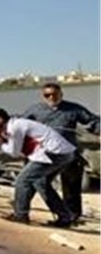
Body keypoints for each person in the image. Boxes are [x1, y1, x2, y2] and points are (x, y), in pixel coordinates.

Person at [0, 108, 75, 227]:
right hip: (62, 153)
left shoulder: (15, 127)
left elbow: (14, 152)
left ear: (0, 119)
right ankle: (65, 217)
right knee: (41, 182)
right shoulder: (13, 126)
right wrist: (1, 138)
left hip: (52, 153)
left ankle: (20, 215)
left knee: (22, 180)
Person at [23, 83, 100, 221]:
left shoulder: (74, 109)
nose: (51, 97)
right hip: (44, 155)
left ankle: (72, 216)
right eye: (47, 95)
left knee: (71, 186)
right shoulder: (35, 110)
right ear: (43, 96)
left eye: (55, 94)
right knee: (37, 182)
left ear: (61, 94)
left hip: (69, 154)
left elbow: (93, 121)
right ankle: (24, 212)